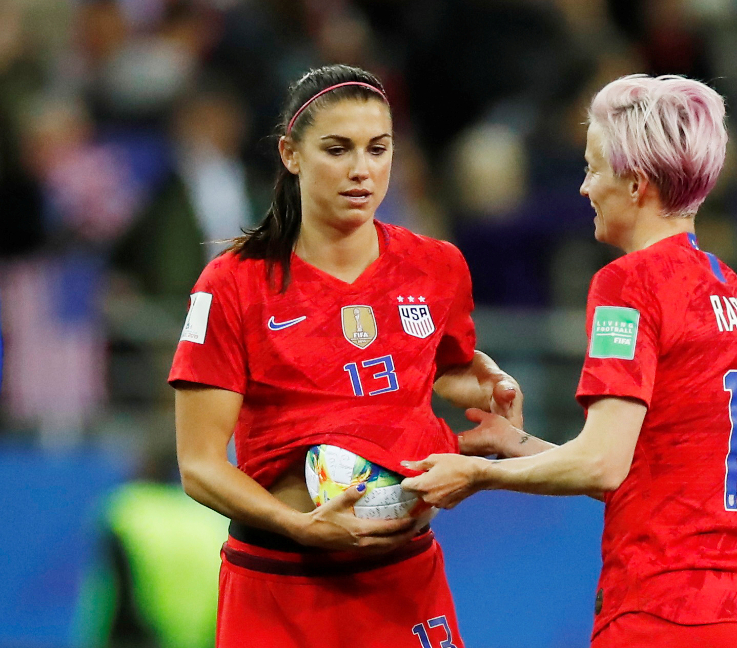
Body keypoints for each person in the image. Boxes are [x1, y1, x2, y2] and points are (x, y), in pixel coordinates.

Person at [402, 75, 737, 647]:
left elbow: (601, 465)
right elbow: (649, 469)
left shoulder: (630, 284)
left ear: (636, 183)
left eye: (594, 168)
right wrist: (515, 446)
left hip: (670, 612)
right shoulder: (736, 292)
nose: (584, 188)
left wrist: (478, 474)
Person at [168, 64, 522, 648]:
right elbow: (199, 464)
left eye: (377, 149)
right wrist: (299, 525)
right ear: (291, 154)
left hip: (405, 579)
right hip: (278, 587)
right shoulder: (234, 283)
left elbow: (442, 367)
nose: (362, 170)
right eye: (338, 149)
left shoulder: (437, 266)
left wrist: (486, 381)